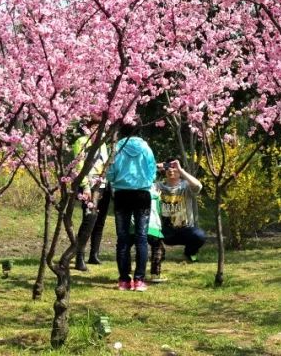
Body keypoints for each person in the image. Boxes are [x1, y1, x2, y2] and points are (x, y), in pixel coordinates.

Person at [105, 124, 157, 291]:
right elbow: (152, 171)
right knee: (142, 237)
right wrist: (145, 182)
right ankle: (139, 280)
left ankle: (124, 280)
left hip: (122, 194)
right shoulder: (146, 148)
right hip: (142, 194)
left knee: (123, 238)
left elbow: (110, 172)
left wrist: (116, 180)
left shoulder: (117, 148)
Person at [72, 116, 110, 271]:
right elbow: (79, 164)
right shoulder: (82, 141)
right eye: (94, 127)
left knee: (100, 220)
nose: (97, 131)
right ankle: (79, 256)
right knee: (89, 219)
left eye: (100, 127)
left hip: (103, 184)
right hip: (89, 185)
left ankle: (94, 254)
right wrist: (85, 186)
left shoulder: (103, 144)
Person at [155, 157, 206, 262]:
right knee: (145, 229)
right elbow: (143, 185)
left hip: (185, 230)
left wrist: (181, 170)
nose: (171, 170)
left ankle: (189, 253)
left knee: (199, 235)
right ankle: (159, 251)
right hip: (165, 231)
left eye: (174, 167)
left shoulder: (186, 186)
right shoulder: (158, 186)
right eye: (168, 167)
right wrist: (154, 167)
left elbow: (198, 186)